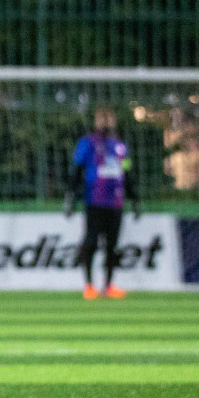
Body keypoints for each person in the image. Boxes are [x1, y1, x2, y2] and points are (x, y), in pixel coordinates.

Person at [66, 105, 139, 299]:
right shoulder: (87, 143)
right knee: (91, 242)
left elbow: (127, 173)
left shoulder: (120, 147)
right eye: (103, 120)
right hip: (94, 200)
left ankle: (108, 285)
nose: (106, 124)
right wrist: (70, 196)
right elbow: (76, 170)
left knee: (112, 246)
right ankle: (89, 285)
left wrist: (135, 198)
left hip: (115, 202)